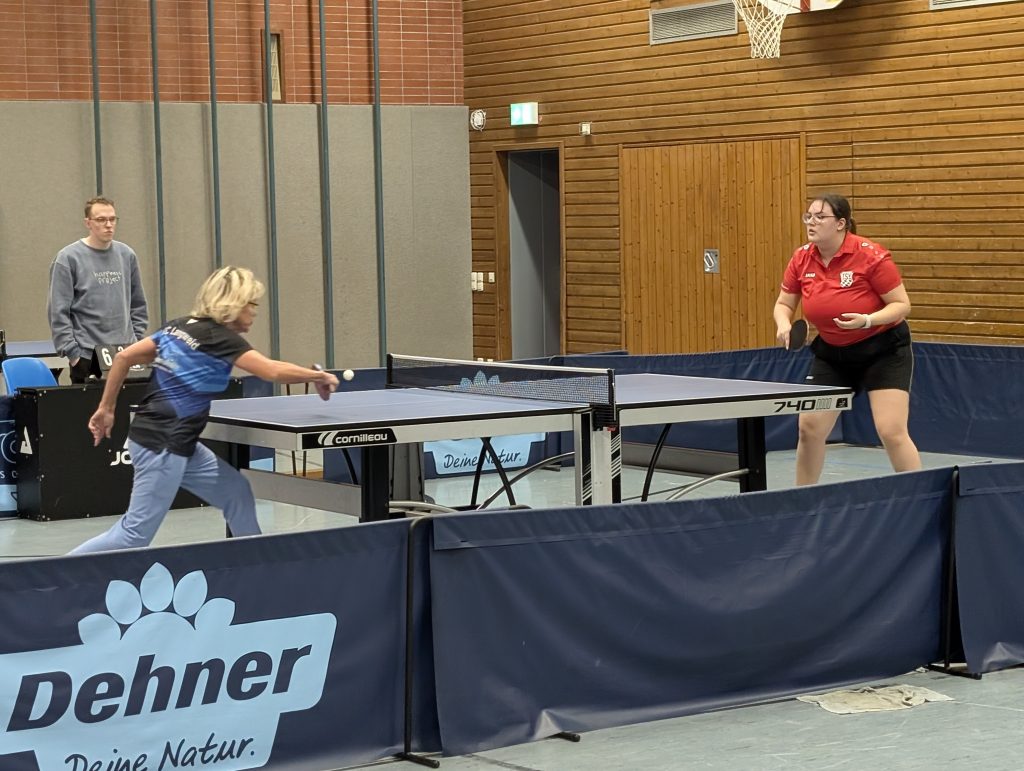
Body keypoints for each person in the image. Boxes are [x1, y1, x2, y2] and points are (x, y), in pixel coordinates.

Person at [70, 266, 339, 554]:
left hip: (171, 441)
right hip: (163, 443)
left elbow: (123, 357)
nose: (254, 311)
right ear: (235, 303)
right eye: (252, 303)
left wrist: (107, 408)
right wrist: (318, 376)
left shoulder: (179, 327)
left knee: (236, 493)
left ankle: (255, 565)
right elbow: (271, 370)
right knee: (132, 536)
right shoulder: (220, 339)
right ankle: (50, 576)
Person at [773, 193, 921, 485]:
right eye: (808, 216)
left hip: (882, 350)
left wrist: (867, 320)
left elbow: (901, 305)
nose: (811, 222)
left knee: (891, 431)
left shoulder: (871, 255)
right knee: (809, 429)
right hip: (833, 354)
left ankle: (920, 496)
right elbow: (784, 303)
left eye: (820, 217)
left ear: (841, 223)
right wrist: (783, 324)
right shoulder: (801, 257)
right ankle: (804, 498)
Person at [48, 196, 149, 383]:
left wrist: (135, 339)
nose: (108, 225)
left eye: (112, 219)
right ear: (88, 223)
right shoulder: (68, 258)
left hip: (125, 353)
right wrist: (74, 355)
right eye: (101, 220)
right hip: (87, 356)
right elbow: (58, 312)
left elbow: (138, 304)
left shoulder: (127, 255)